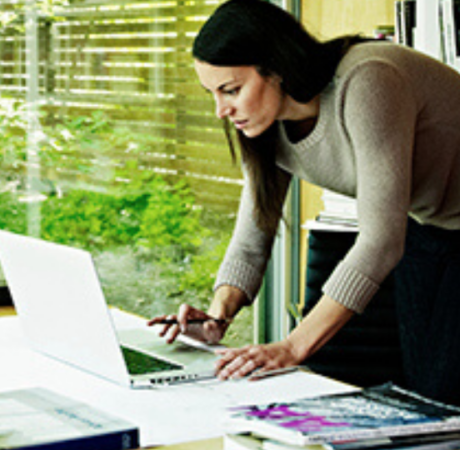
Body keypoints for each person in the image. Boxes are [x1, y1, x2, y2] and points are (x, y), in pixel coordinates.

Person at [147, 0, 460, 405]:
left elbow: (381, 240)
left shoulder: (368, 81)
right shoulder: (266, 127)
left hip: (428, 229)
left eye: (231, 90)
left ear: (276, 68)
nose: (221, 110)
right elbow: (253, 234)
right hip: (431, 225)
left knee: (445, 393)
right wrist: (217, 316)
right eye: (214, 94)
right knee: (427, 397)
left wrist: (292, 346)